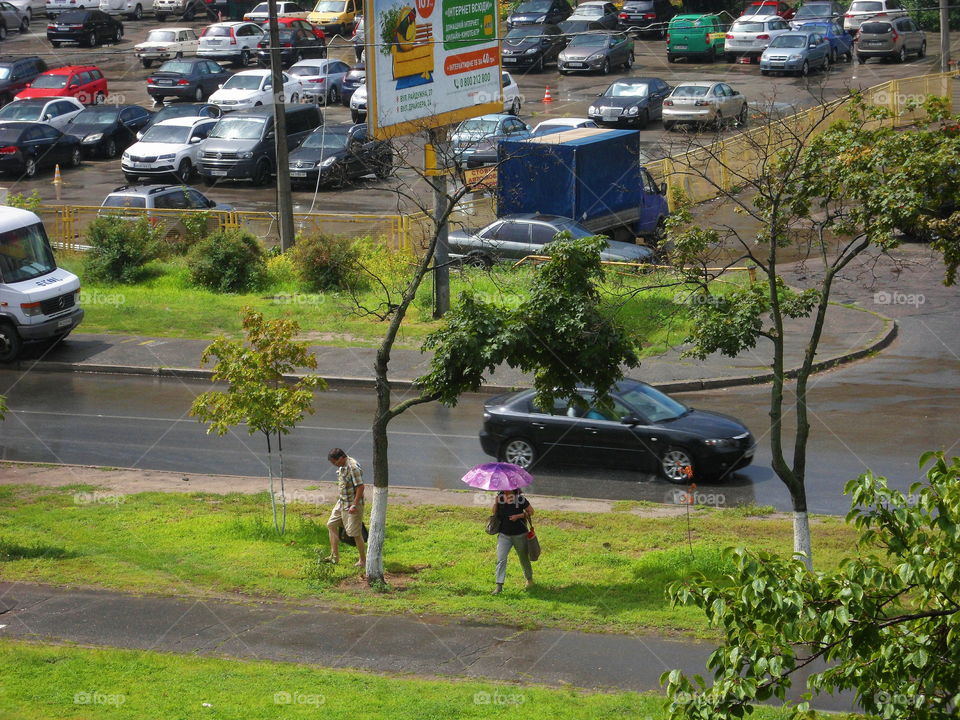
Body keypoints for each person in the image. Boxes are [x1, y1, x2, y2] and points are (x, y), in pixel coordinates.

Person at [325, 448, 365, 569]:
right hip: (341, 502)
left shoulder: (353, 468)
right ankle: (334, 556)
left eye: (335, 463)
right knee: (331, 524)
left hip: (352, 505)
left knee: (354, 533)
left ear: (341, 458)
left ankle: (363, 560)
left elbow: (361, 487)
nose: (335, 465)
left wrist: (354, 504)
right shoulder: (342, 465)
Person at [491, 489, 534, 595]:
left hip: (520, 534)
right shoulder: (500, 498)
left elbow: (531, 512)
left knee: (523, 557)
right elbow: (493, 512)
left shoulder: (520, 499)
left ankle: (529, 580)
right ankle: (499, 586)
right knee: (501, 559)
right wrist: (496, 502)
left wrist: (518, 516)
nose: (504, 489)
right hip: (504, 535)